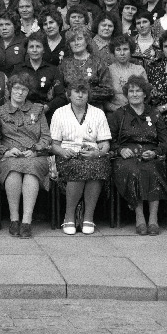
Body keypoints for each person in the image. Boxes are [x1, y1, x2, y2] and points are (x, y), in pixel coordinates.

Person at [108, 75, 167, 235]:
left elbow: (165, 142)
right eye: (131, 91)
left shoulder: (155, 114)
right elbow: (109, 139)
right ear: (126, 94)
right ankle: (139, 217)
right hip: (127, 156)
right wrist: (119, 150)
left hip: (150, 155)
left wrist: (155, 152)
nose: (135, 94)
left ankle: (153, 219)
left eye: (138, 91)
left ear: (145, 94)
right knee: (133, 171)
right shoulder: (119, 114)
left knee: (152, 169)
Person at [51, 79, 112, 235]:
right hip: (67, 156)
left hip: (92, 154)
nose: (80, 95)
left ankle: (88, 217)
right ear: (68, 94)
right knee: (77, 166)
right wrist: (63, 152)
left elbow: (105, 144)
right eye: (76, 92)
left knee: (97, 166)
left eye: (83, 92)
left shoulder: (98, 113)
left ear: (88, 95)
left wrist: (96, 153)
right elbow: (54, 144)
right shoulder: (59, 113)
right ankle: (69, 216)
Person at [0, 73, 52, 238]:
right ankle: (14, 219)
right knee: (12, 168)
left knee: (31, 169)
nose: (20, 93)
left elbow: (46, 137)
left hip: (35, 156)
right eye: (16, 89)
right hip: (9, 156)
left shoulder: (38, 109)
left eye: (24, 89)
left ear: (28, 92)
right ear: (10, 90)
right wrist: (5, 150)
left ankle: (27, 221)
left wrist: (35, 150)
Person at [59, 26, 114, 109]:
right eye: (72, 40)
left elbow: (108, 91)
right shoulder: (64, 64)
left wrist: (85, 94)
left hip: (94, 109)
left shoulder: (98, 62)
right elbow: (59, 91)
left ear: (87, 41)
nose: (76, 43)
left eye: (80, 39)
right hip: (69, 110)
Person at [12, 32, 65, 117]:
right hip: (21, 113)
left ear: (44, 49)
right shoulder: (18, 69)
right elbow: (11, 92)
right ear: (27, 50)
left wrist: (47, 107)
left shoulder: (53, 70)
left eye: (38, 46)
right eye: (31, 47)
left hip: (46, 114)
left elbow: (61, 96)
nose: (34, 50)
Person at [105, 35, 148, 112]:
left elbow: (146, 95)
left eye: (125, 49)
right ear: (113, 52)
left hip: (137, 113)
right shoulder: (107, 71)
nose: (122, 53)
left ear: (131, 51)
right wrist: (118, 110)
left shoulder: (139, 70)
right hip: (114, 114)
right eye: (118, 49)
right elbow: (104, 101)